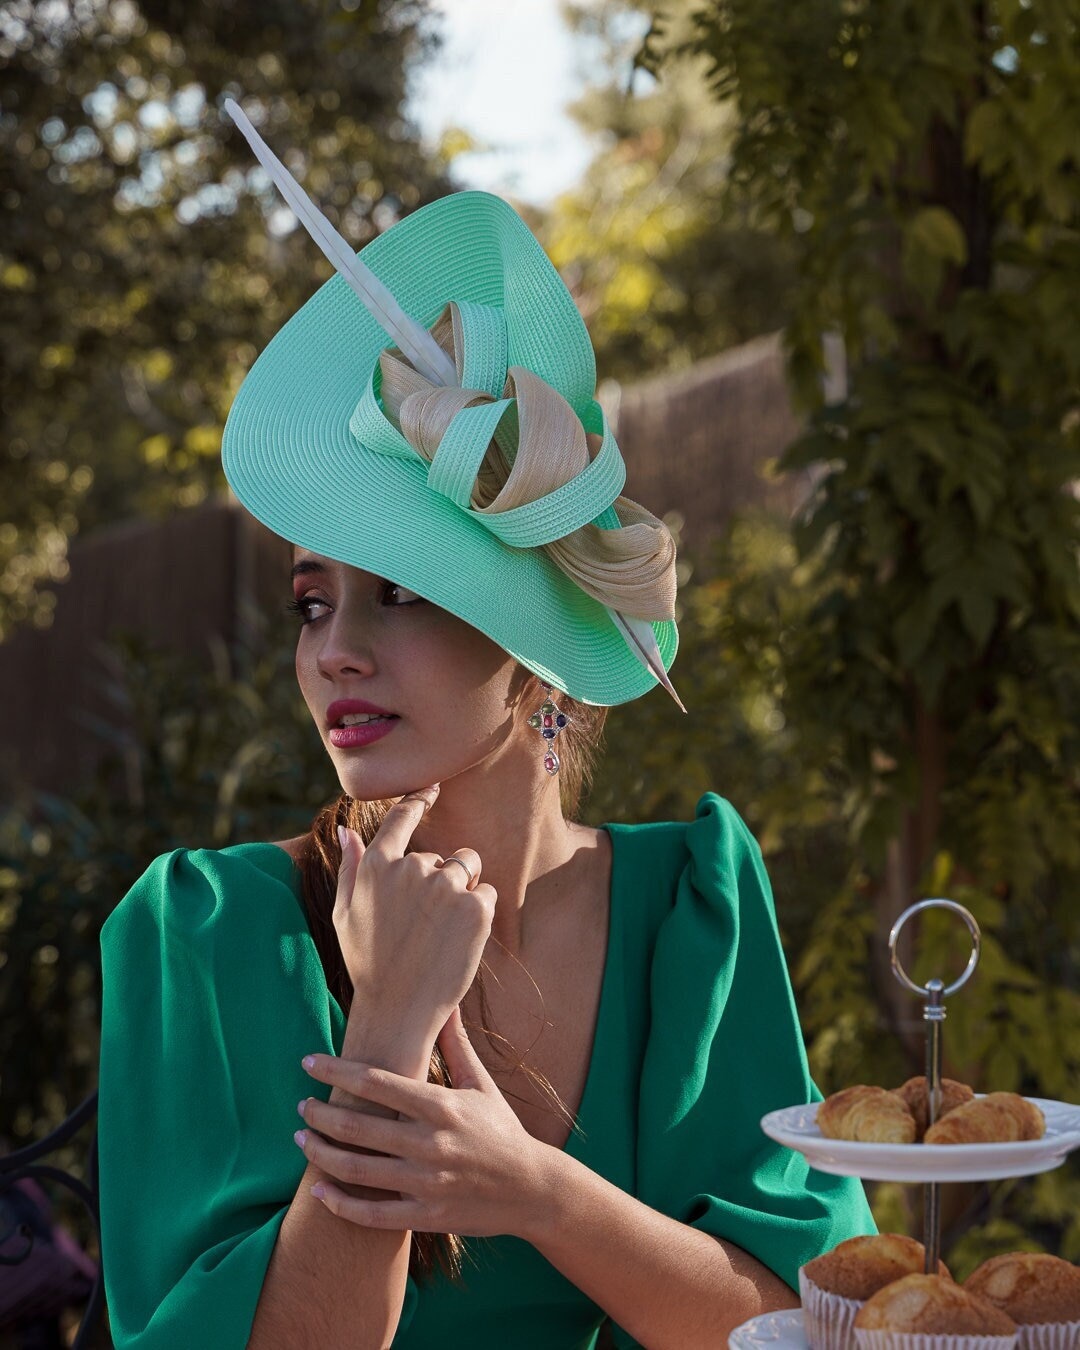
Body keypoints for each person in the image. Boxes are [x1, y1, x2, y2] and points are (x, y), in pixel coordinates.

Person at [96, 104, 875, 1350]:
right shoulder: (213, 932)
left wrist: (537, 1193)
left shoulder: (697, 911)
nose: (334, 646)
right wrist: (389, 1030)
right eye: (312, 602)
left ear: (532, 643)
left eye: (400, 592)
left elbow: (808, 1323)